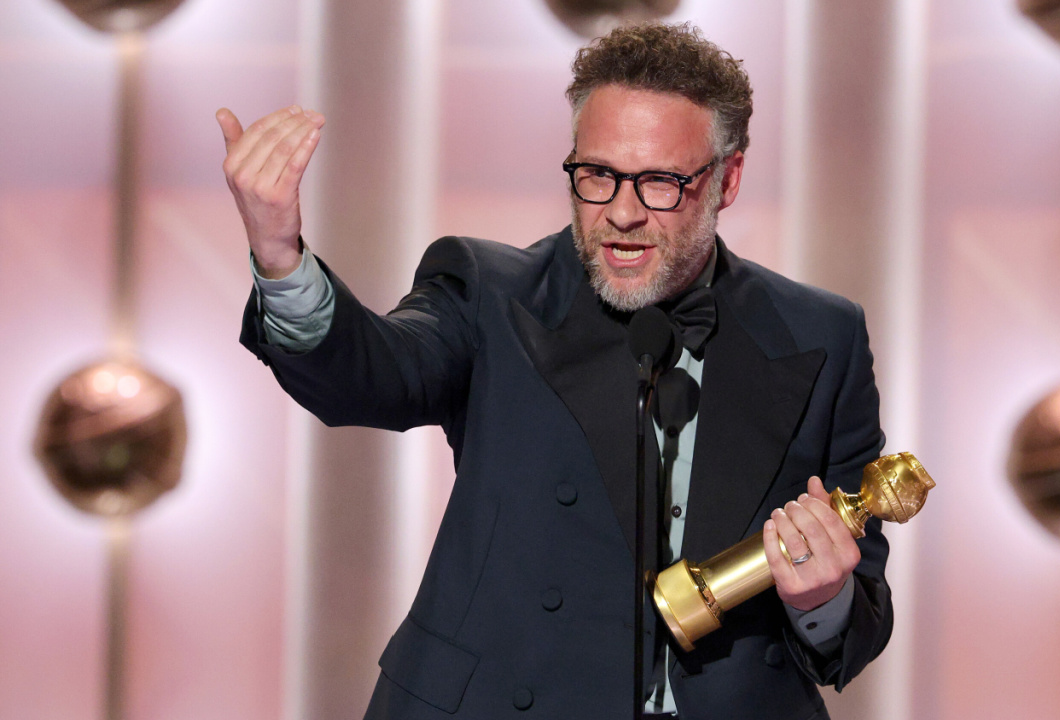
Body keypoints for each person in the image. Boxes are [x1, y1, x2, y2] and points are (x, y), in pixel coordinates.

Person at [217, 22, 891, 720]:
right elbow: (369, 374)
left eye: (660, 182)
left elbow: (860, 624)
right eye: (597, 175)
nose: (621, 214)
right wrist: (280, 257)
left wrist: (822, 599)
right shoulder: (490, 295)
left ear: (729, 179)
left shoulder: (822, 337)